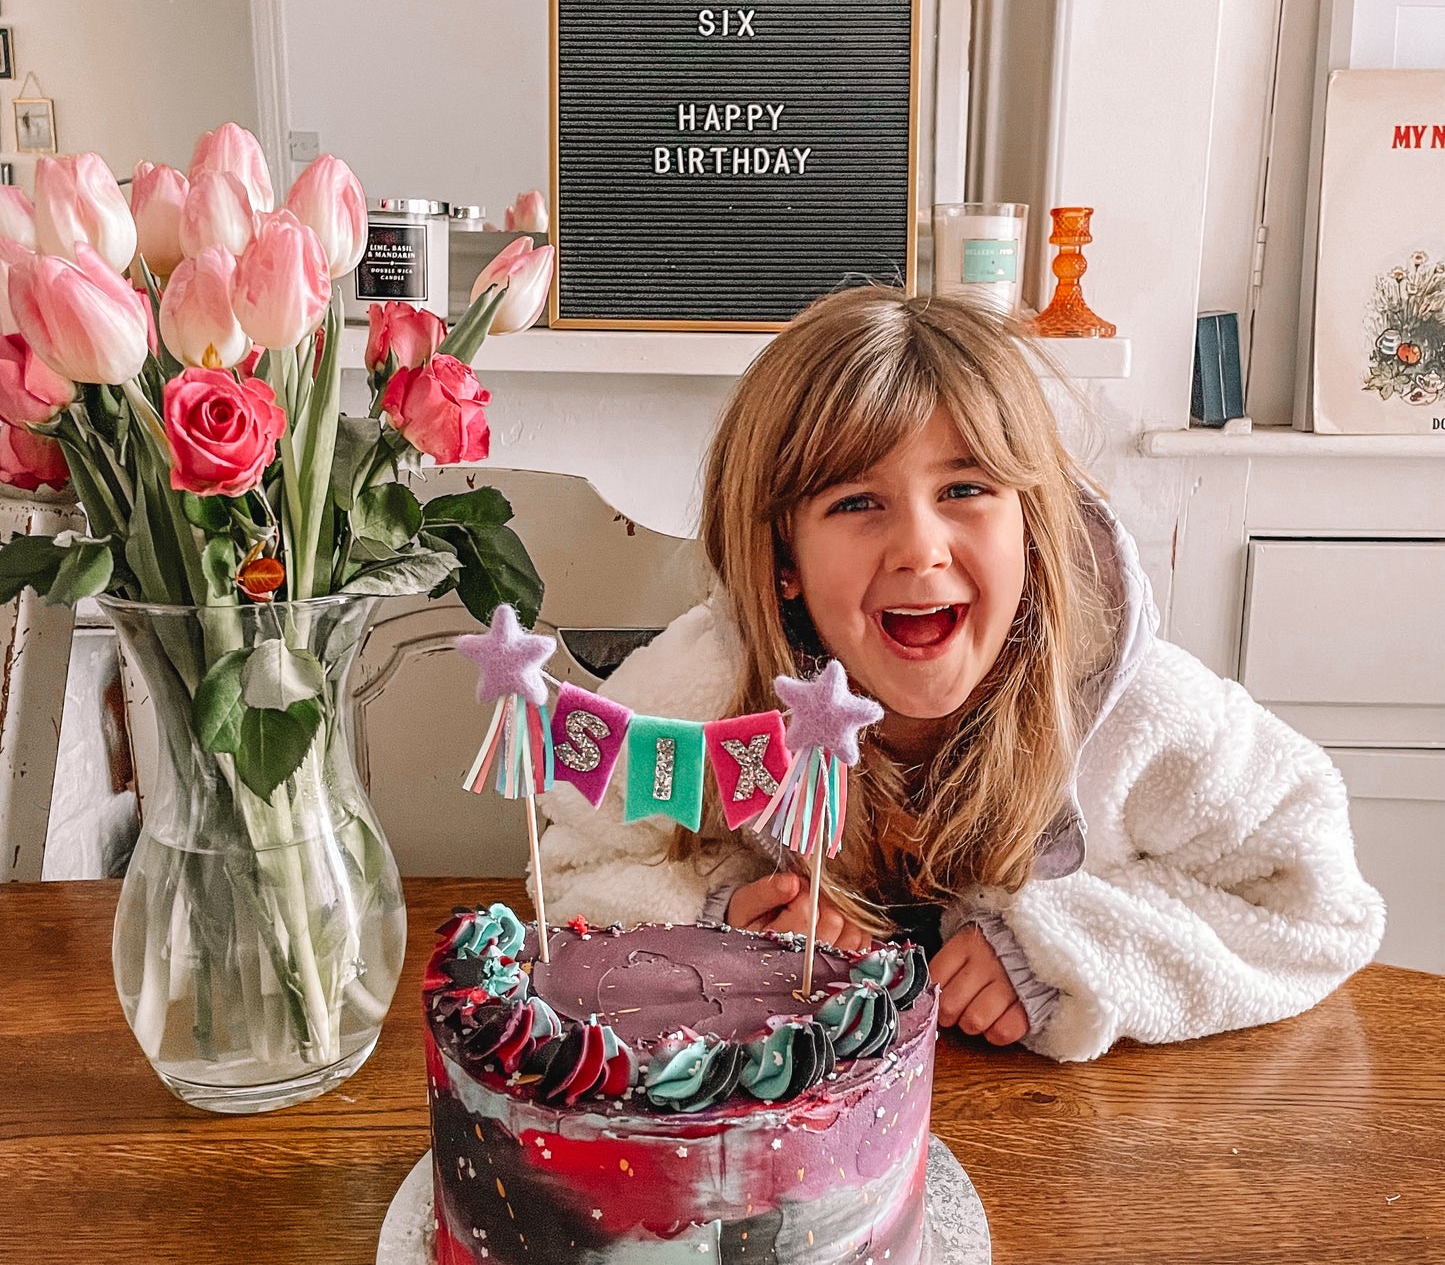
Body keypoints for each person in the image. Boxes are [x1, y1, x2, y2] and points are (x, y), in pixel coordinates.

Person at [536, 287, 1385, 1062]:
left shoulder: (1133, 709)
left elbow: (1317, 907)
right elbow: (567, 875)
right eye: (855, 502)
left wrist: (1062, 949)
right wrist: (713, 925)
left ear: (1030, 523)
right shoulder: (699, 696)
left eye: (966, 487)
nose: (919, 547)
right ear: (780, 556)